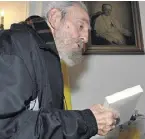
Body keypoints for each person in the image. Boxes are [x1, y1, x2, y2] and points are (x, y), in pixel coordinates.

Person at [0, 1, 119, 139]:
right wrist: (86, 121)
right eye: (80, 26)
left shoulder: (48, 54)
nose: (85, 38)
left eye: (87, 32)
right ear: (55, 18)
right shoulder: (13, 46)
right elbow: (7, 128)